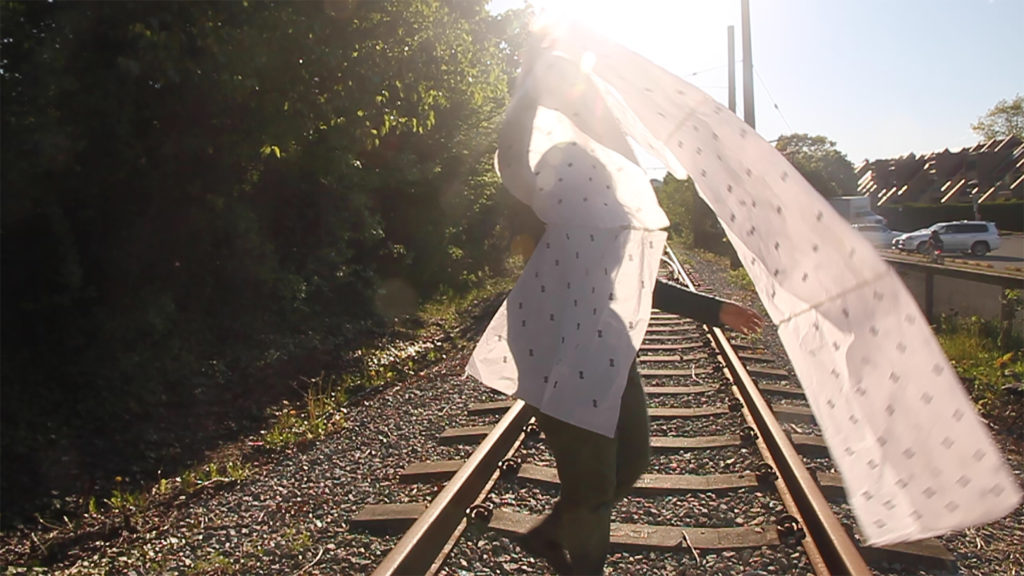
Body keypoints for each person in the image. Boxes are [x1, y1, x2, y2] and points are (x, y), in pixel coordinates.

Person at [466, 37, 764, 575]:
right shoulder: (544, 190)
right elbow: (513, 155)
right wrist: (529, 83)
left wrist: (714, 309)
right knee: (594, 486)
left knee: (632, 462)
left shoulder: (611, 198)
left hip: (606, 346)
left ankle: (548, 535)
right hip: (558, 347)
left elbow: (636, 282)